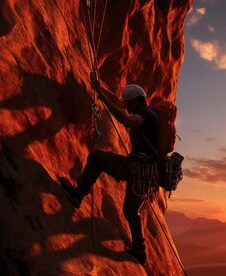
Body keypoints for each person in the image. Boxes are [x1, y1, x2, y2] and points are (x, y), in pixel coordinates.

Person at [59, 72, 160, 265]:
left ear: (136, 102)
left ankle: (78, 193)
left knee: (97, 158)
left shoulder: (145, 115)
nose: (127, 107)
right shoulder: (146, 110)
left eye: (129, 103)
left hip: (137, 168)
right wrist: (100, 88)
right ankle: (140, 251)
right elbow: (122, 105)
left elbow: (129, 121)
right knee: (130, 211)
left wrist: (103, 99)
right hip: (146, 173)